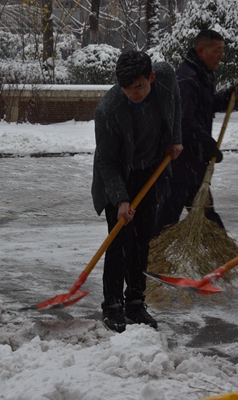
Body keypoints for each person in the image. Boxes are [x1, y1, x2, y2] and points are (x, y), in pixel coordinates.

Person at [92, 50, 183, 332]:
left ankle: (135, 302)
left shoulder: (165, 78)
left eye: (139, 87)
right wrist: (120, 199)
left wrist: (175, 138)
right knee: (118, 242)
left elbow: (176, 104)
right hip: (117, 175)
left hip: (149, 171)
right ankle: (112, 305)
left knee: (142, 240)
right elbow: (107, 161)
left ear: (151, 78)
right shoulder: (108, 109)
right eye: (127, 89)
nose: (133, 93)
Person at [153, 29, 236, 237]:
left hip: (193, 163)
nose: (221, 56)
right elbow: (185, 121)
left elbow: (202, 108)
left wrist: (226, 98)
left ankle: (223, 258)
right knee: (167, 219)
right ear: (201, 50)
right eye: (217, 50)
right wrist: (209, 146)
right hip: (181, 164)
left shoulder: (200, 76)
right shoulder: (188, 79)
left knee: (205, 215)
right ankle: (147, 258)